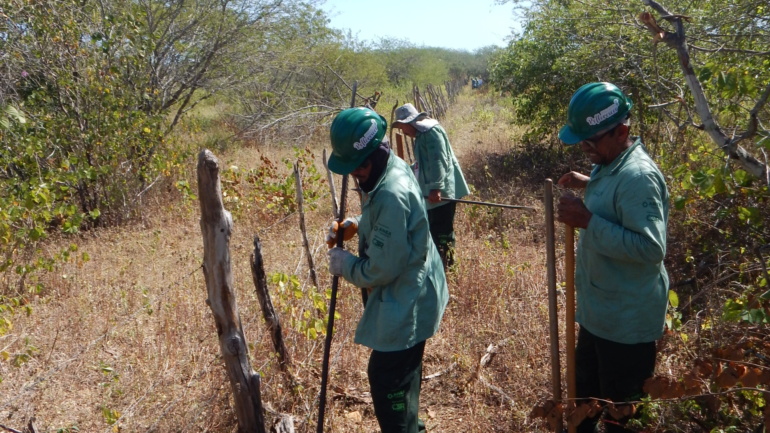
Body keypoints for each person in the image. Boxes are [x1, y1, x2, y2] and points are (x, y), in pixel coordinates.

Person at [325, 107, 449, 433]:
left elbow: (381, 269)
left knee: (387, 379)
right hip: (416, 286)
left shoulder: (392, 192)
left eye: (357, 168)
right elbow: (388, 221)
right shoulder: (390, 164)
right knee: (403, 377)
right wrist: (357, 225)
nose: (355, 176)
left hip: (408, 297)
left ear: (371, 157)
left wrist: (347, 264)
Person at [555, 82, 670, 433]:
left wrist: (587, 220)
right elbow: (616, 200)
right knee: (586, 404)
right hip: (599, 313)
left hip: (625, 325)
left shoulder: (639, 176)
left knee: (620, 417)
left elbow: (650, 248)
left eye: (590, 141)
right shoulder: (611, 161)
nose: (585, 148)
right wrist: (589, 182)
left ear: (621, 131)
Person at [392, 103, 470, 269]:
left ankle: (448, 267)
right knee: (434, 231)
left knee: (442, 232)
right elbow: (423, 163)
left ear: (409, 122)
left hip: (440, 194)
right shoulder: (421, 135)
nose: (403, 132)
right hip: (432, 194)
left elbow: (438, 161)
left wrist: (436, 188)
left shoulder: (430, 132)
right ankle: (440, 267)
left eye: (402, 127)